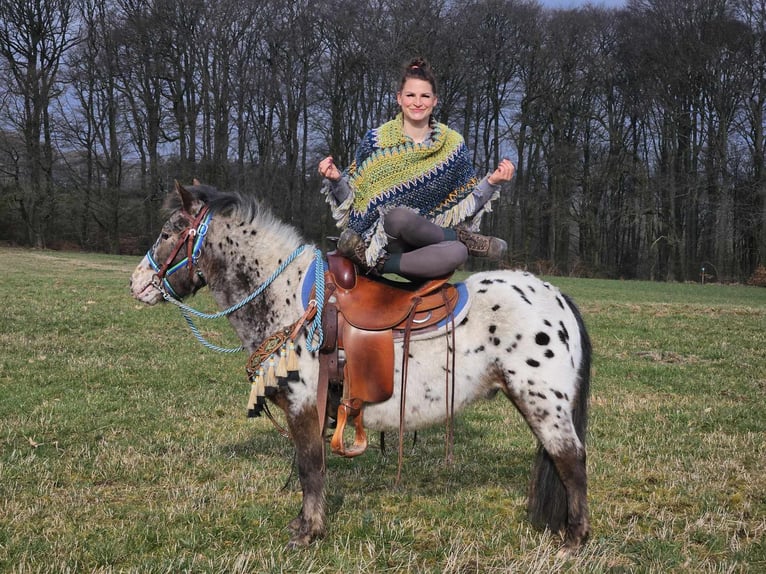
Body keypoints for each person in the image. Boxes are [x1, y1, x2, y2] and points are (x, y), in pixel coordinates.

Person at [318, 57, 515, 279]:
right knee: (399, 217)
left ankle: (379, 264)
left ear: (435, 101)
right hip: (384, 238)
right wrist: (335, 179)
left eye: (425, 96)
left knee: (459, 252)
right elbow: (354, 199)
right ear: (399, 99)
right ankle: (460, 237)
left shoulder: (452, 146)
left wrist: (492, 182)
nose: (417, 102)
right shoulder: (376, 141)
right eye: (411, 95)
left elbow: (467, 202)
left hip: (424, 249)